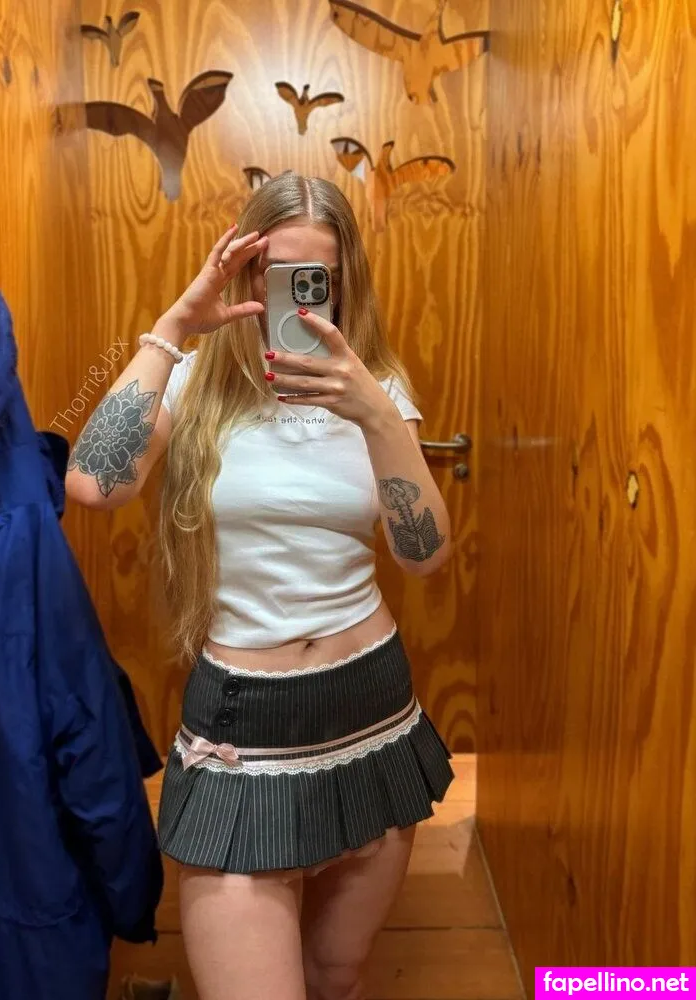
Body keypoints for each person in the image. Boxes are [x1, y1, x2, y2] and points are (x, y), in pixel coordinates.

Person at [65, 171, 455, 1000]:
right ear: (243, 271)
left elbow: (422, 555)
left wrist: (375, 414)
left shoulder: (377, 389)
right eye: (276, 274)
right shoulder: (193, 379)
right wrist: (173, 325)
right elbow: (93, 484)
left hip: (371, 708)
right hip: (245, 725)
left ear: (344, 283)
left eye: (318, 279)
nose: (299, 296)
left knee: (335, 974)